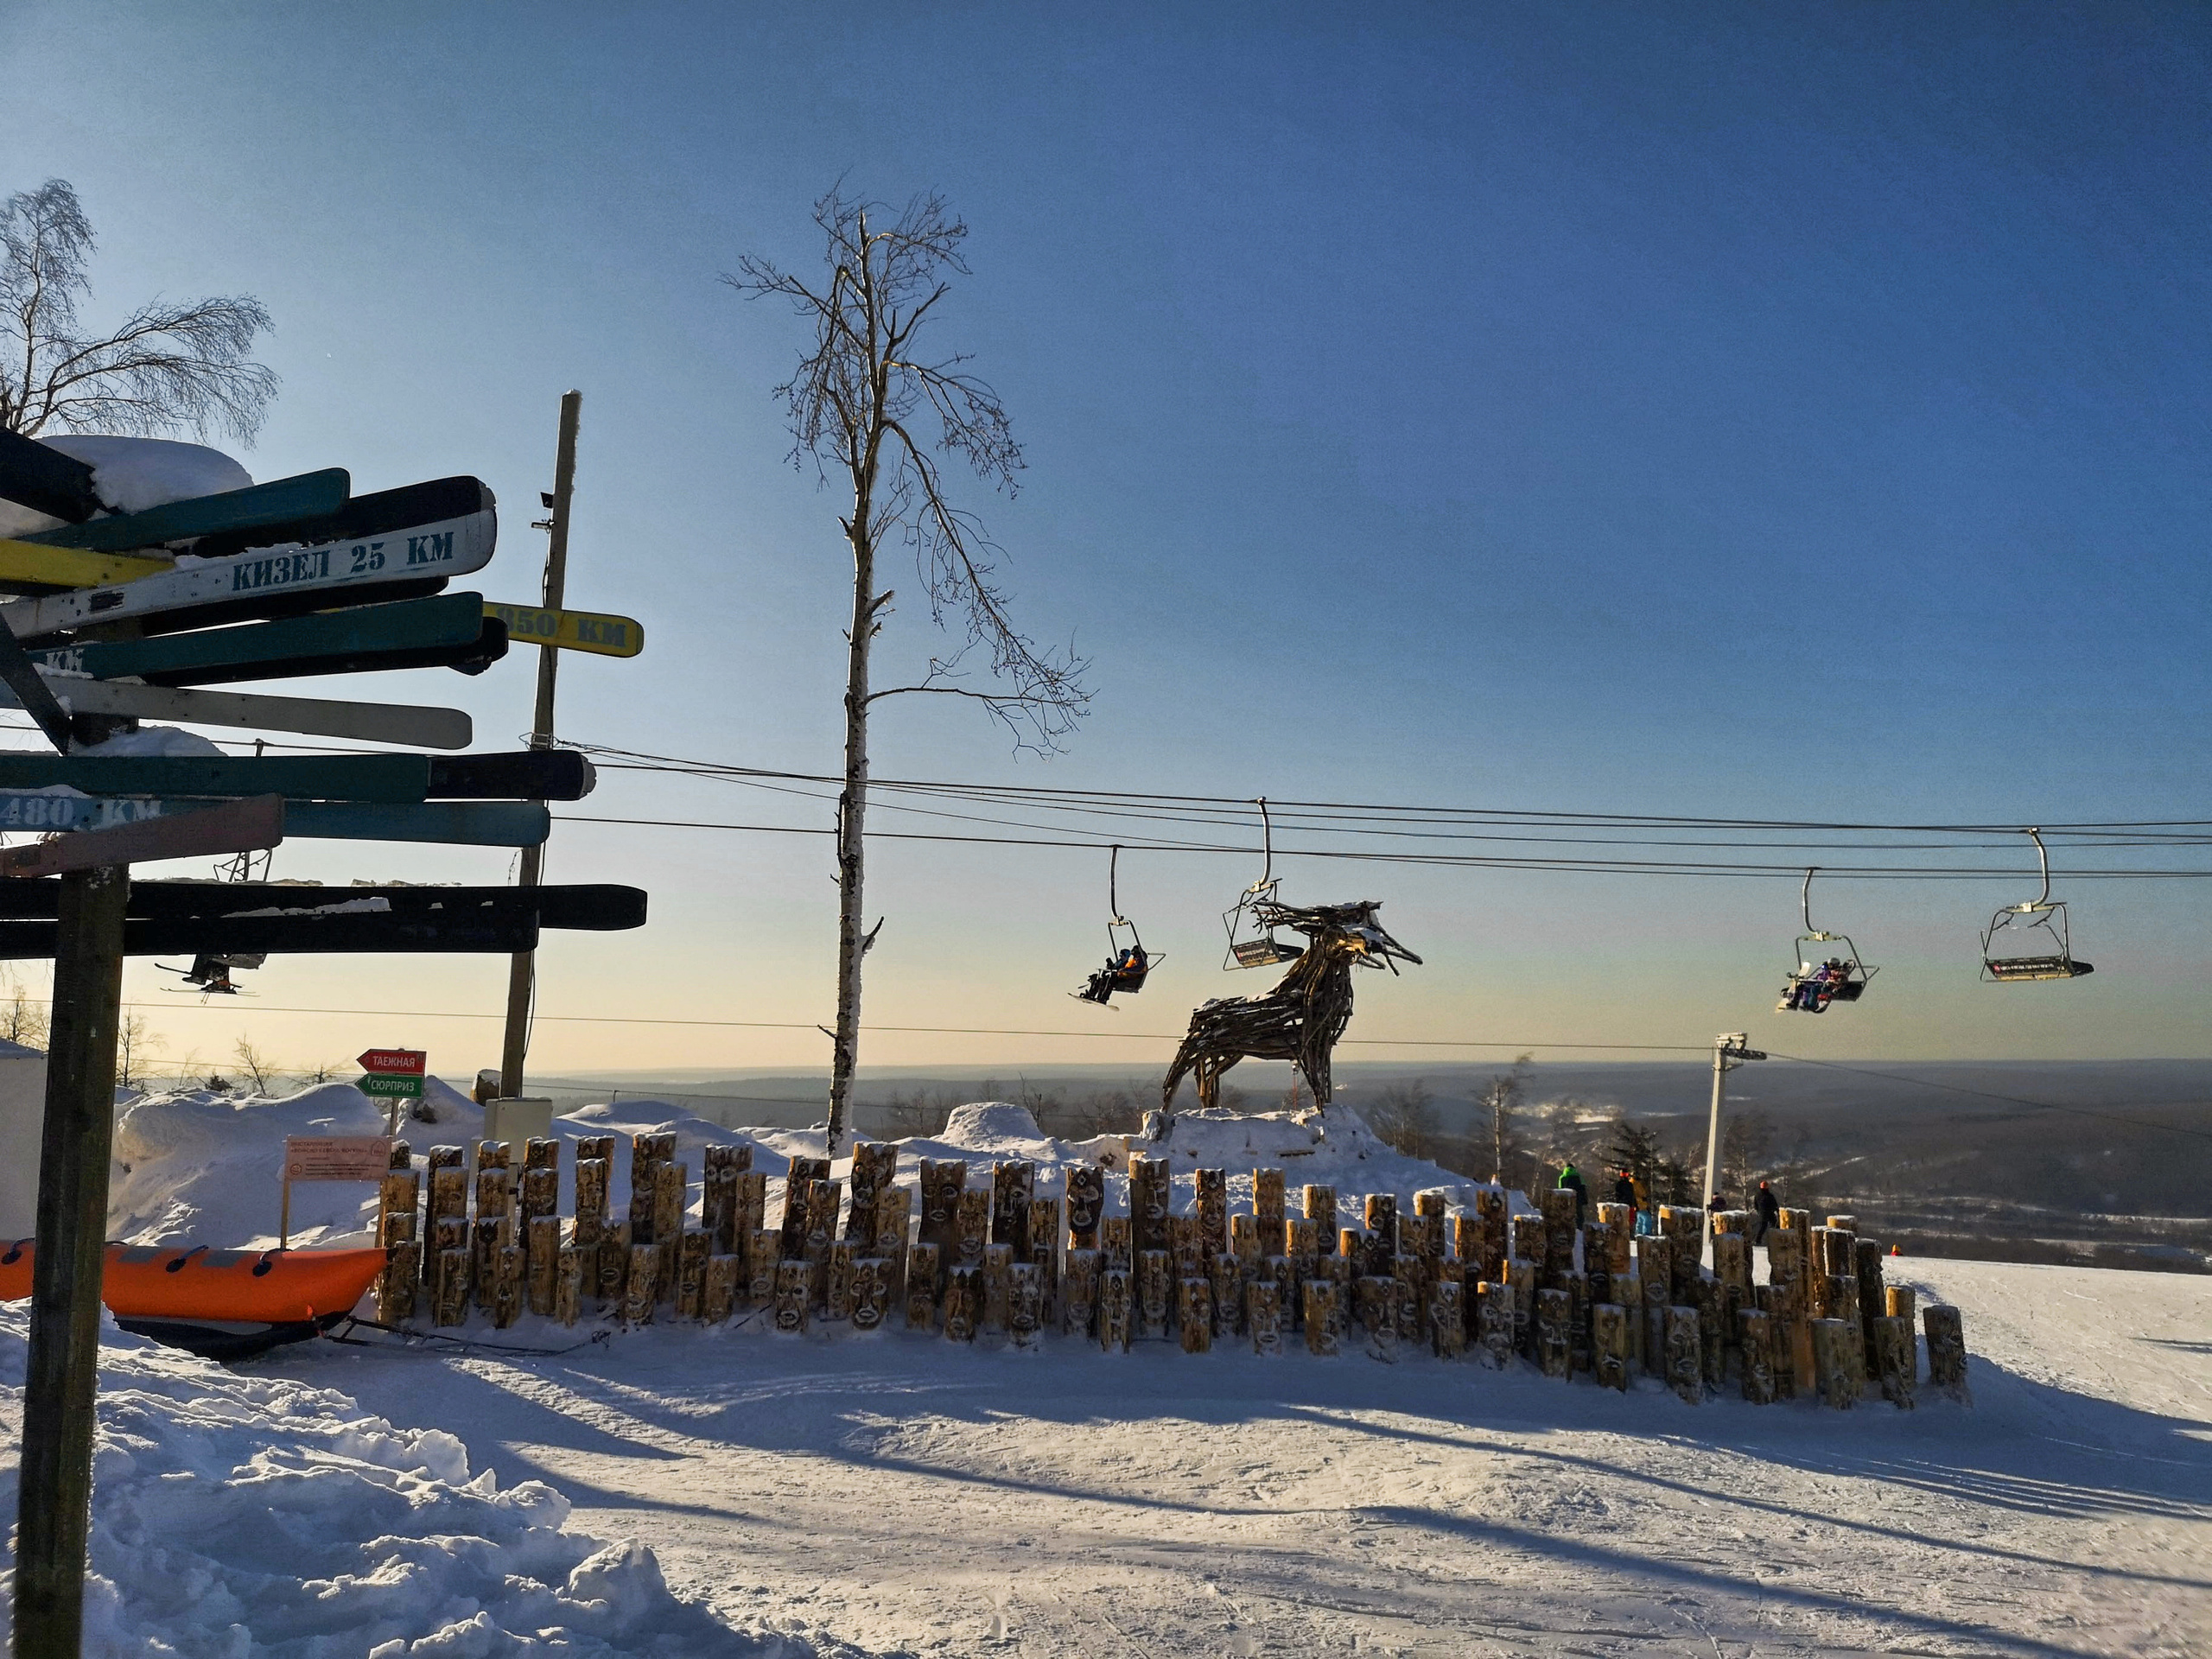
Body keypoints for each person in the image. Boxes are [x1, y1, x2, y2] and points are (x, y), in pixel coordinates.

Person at [1557, 1162, 1587, 1227]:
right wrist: (1585, 1200)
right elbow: (1583, 1188)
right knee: (1579, 1215)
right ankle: (1579, 1228)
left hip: (1566, 1199)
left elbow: (1560, 1190)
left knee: (1566, 1214)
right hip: (1578, 1198)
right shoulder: (1579, 1176)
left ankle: (1567, 1228)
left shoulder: (1562, 1177)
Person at [1754, 1179, 1779, 1243]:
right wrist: (1777, 1211)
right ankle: (1776, 1239)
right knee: (1775, 1225)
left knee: (1762, 1227)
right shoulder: (1770, 1196)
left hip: (1762, 1213)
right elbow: (1775, 1205)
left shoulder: (1757, 1195)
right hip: (1770, 1213)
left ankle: (1757, 1240)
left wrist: (1759, 1211)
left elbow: (1755, 1205)